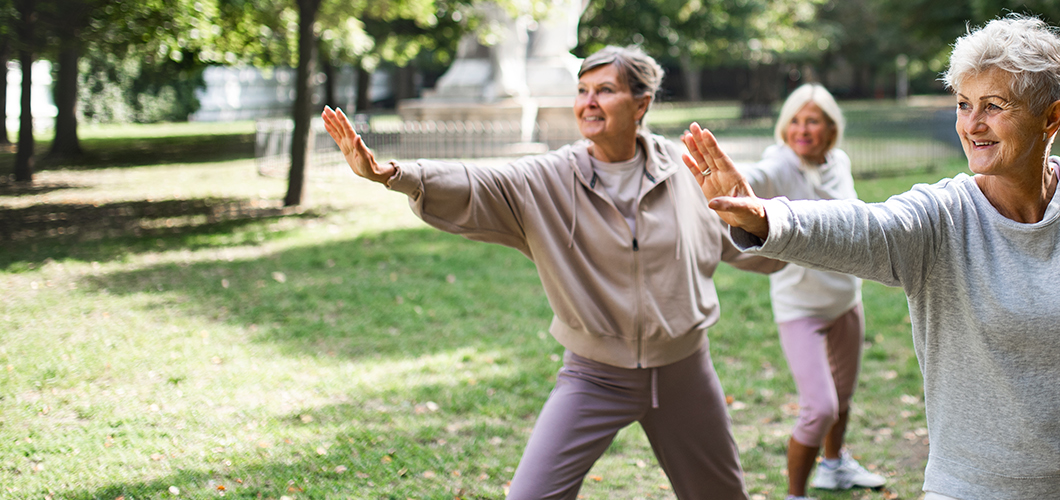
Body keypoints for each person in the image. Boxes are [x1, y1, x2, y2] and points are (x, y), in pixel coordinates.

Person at [682, 15, 1060, 500]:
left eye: (994, 106)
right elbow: (865, 228)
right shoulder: (941, 216)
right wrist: (766, 219)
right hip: (976, 486)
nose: (971, 124)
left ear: (1053, 117)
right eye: (963, 103)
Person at [322, 45, 783, 500]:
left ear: (641, 104)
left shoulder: (685, 171)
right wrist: (393, 174)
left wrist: (774, 230)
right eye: (582, 90)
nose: (588, 102)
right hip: (595, 375)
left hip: (685, 369)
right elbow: (478, 181)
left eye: (605, 90)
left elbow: (747, 241)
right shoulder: (549, 177)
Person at [738, 83, 885, 499]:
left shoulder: (839, 162)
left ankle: (834, 466)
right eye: (795, 121)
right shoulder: (780, 164)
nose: (802, 130)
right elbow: (755, 176)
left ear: (831, 129)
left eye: (813, 121)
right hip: (800, 307)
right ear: (784, 128)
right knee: (819, 408)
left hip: (845, 300)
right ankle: (795, 494)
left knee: (842, 398)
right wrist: (734, 183)